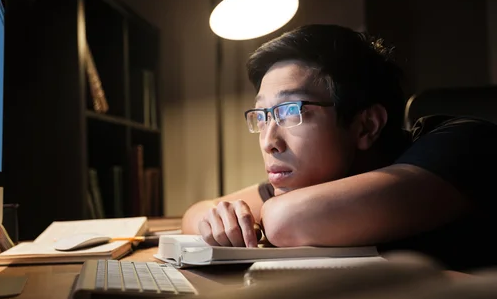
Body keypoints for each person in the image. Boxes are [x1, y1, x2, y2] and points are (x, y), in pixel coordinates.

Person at [181, 24, 497, 271]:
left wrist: (260, 219)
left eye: (290, 112)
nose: (268, 142)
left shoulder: (461, 143)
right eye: (262, 116)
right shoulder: (307, 181)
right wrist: (220, 221)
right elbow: (195, 212)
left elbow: (284, 222)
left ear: (366, 126)